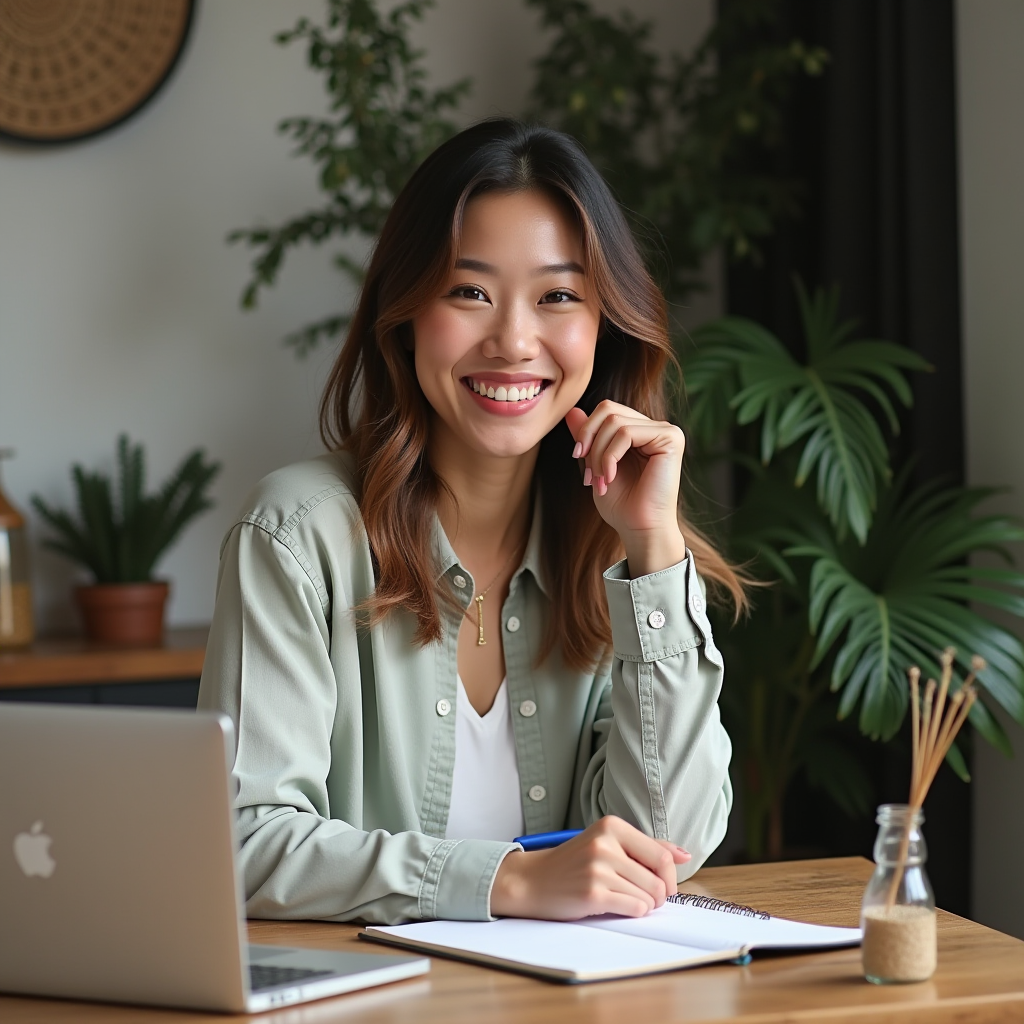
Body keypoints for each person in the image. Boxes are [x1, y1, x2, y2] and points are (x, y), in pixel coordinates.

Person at [198, 118, 746, 926]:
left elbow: (667, 844)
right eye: (469, 292)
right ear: (408, 310)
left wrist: (652, 548)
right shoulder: (296, 535)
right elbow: (244, 845)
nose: (515, 340)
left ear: (605, 326)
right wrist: (509, 882)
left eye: (558, 296)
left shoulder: (613, 550)